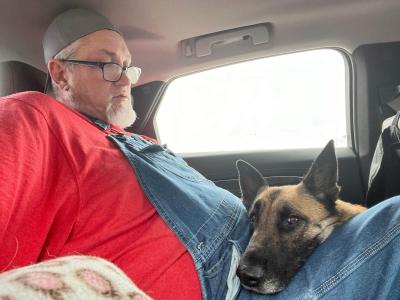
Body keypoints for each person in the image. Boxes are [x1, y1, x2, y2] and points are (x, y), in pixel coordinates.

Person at [0, 8, 399, 300]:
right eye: (107, 66)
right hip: (241, 285)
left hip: (281, 260)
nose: (125, 80)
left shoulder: (133, 141)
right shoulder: (33, 118)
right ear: (59, 73)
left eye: (128, 67)